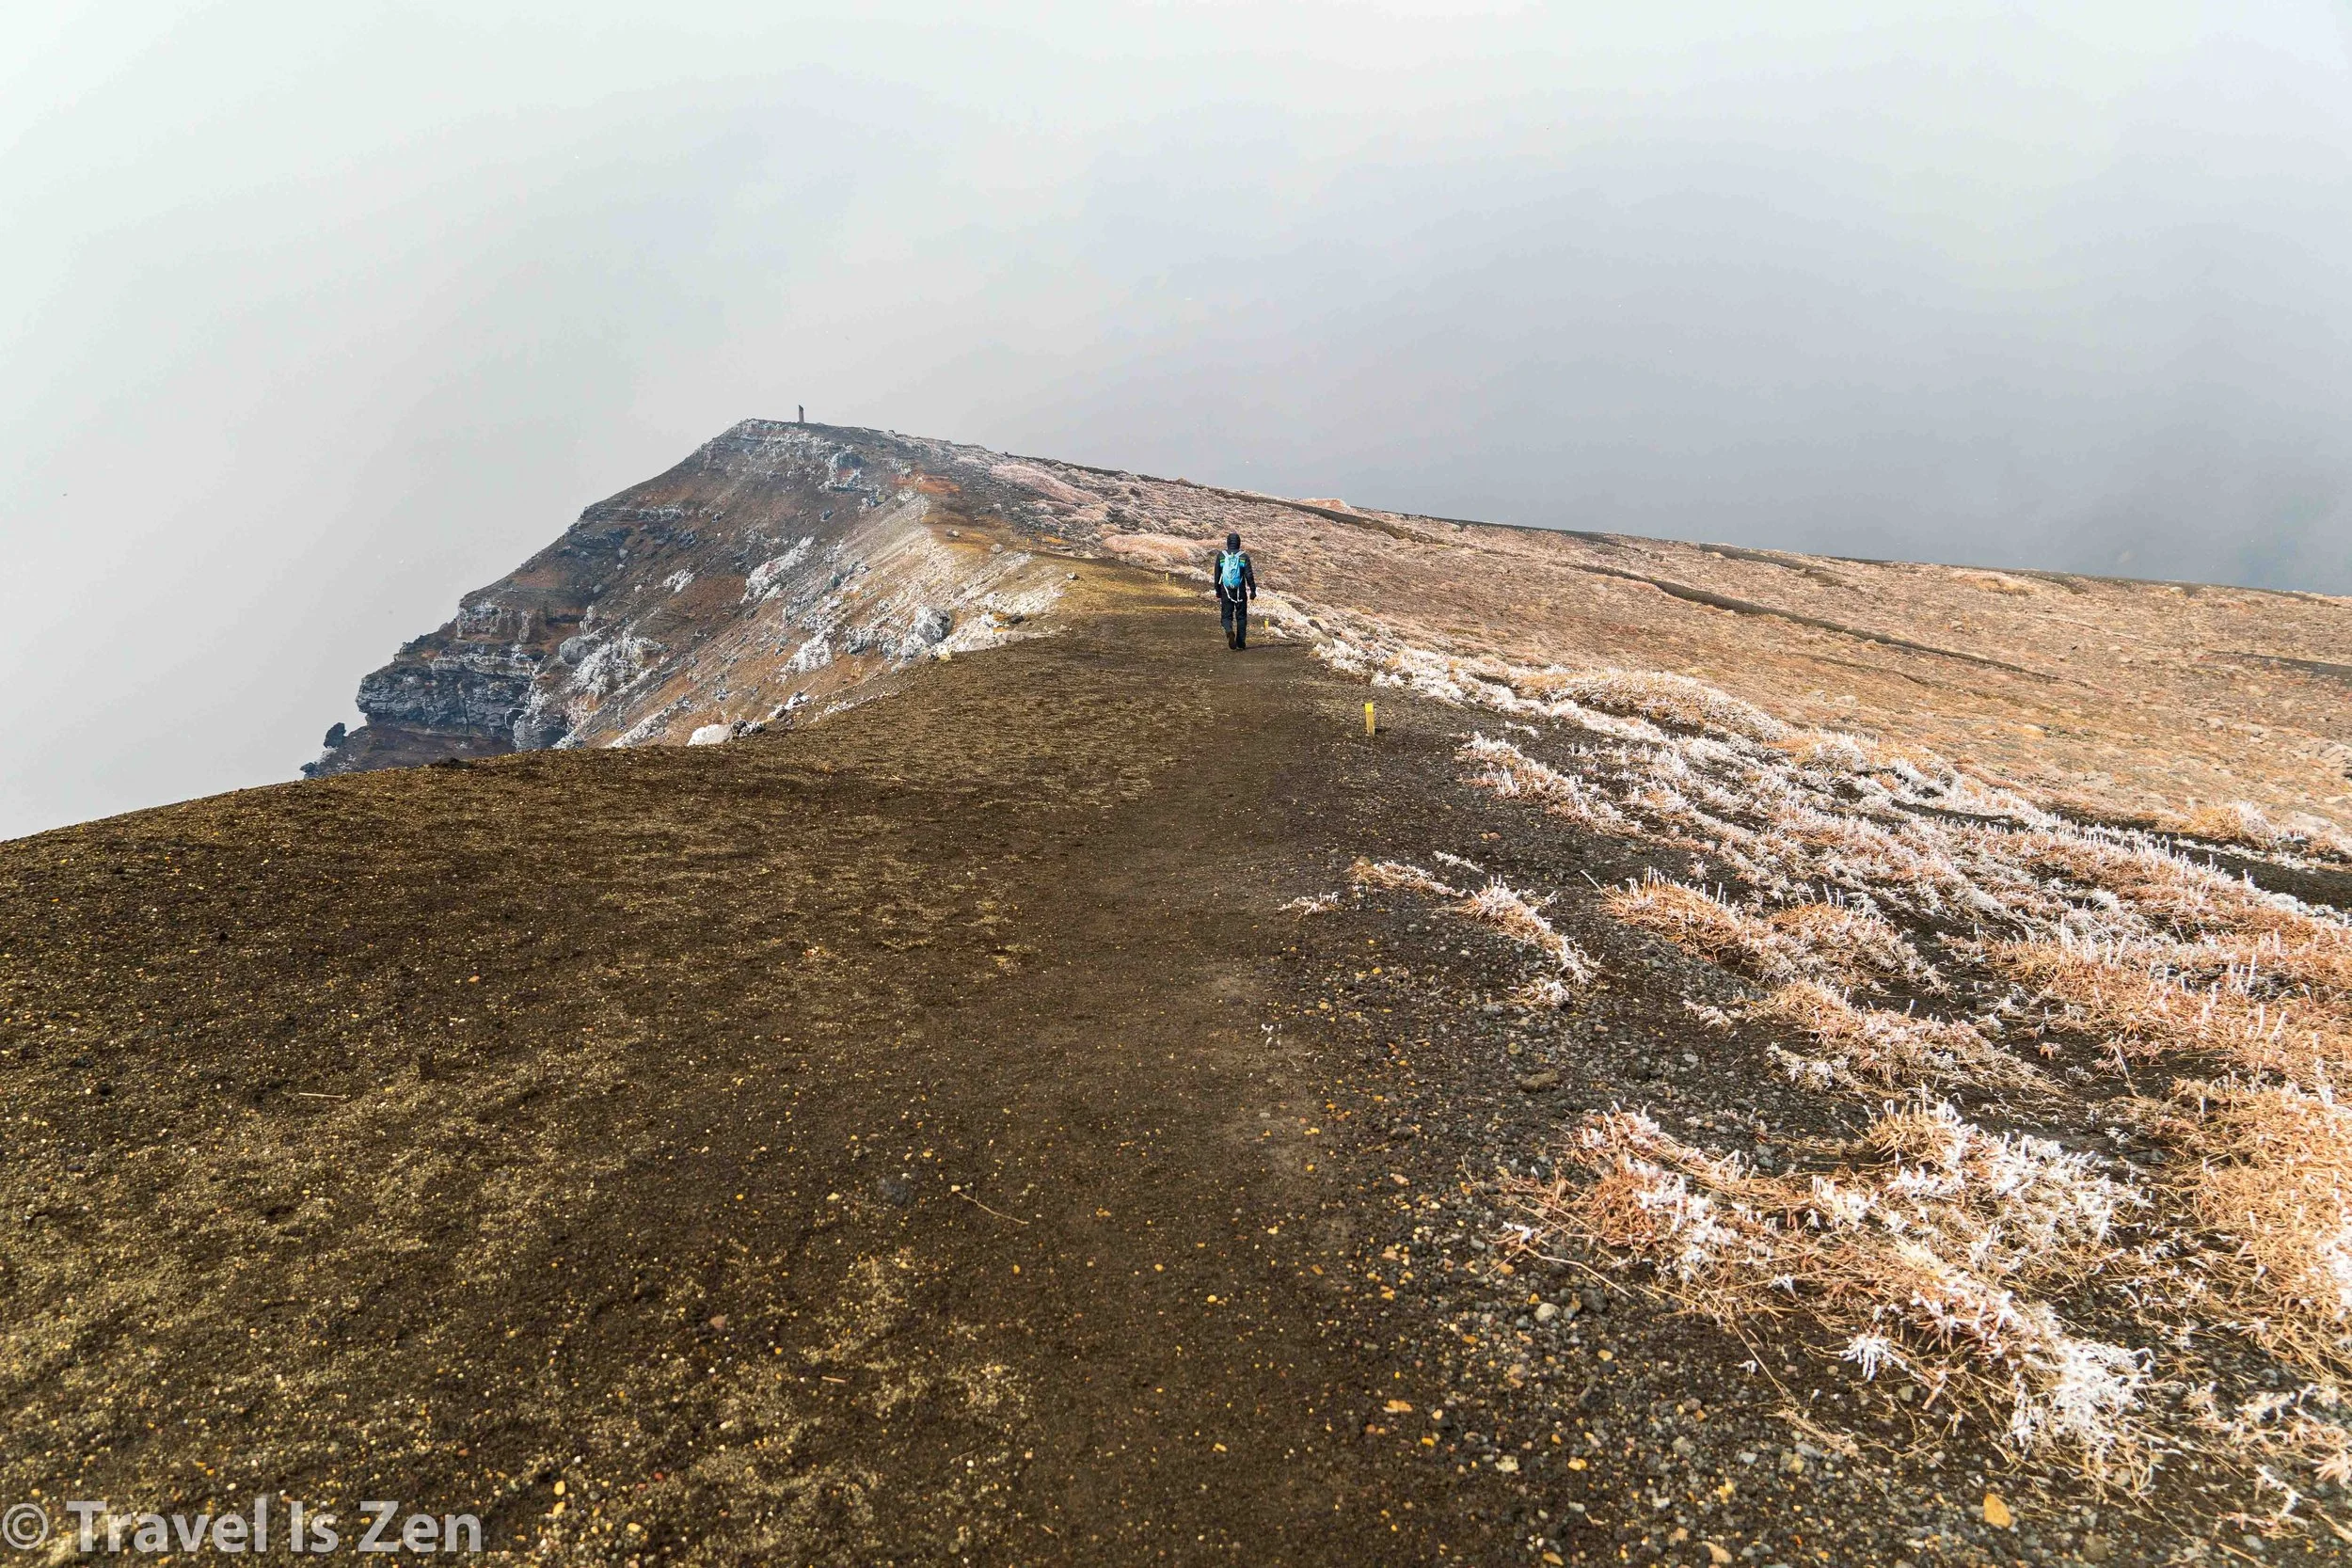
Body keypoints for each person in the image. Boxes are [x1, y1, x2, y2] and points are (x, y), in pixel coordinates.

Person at [1214, 531, 1258, 649]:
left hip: (1225, 590)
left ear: (1228, 543)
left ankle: (1229, 630)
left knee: (1226, 616)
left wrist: (1218, 590)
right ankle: (1241, 642)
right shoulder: (1244, 556)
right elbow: (1249, 575)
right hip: (1240, 591)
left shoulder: (1221, 555)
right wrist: (1253, 590)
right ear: (1239, 543)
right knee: (1241, 616)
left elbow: (1217, 575)